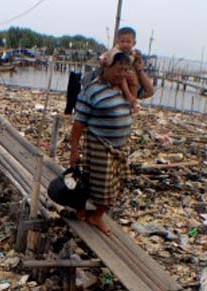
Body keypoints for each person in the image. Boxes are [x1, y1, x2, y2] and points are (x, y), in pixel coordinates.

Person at [69, 52, 133, 235]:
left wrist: (137, 72)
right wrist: (74, 150)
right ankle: (94, 215)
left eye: (125, 70)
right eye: (118, 69)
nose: (121, 74)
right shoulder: (92, 89)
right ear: (106, 66)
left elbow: (149, 91)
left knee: (117, 183)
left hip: (120, 146)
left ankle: (91, 213)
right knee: (99, 185)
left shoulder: (125, 89)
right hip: (99, 144)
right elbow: (78, 122)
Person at [100, 26, 154, 112]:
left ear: (134, 43)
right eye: (122, 41)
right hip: (120, 75)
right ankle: (129, 96)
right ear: (117, 42)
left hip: (128, 74)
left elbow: (150, 91)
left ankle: (132, 100)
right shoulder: (116, 52)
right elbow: (104, 57)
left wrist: (139, 65)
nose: (125, 44)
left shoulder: (132, 53)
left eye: (128, 42)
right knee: (124, 75)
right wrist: (103, 61)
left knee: (132, 79)